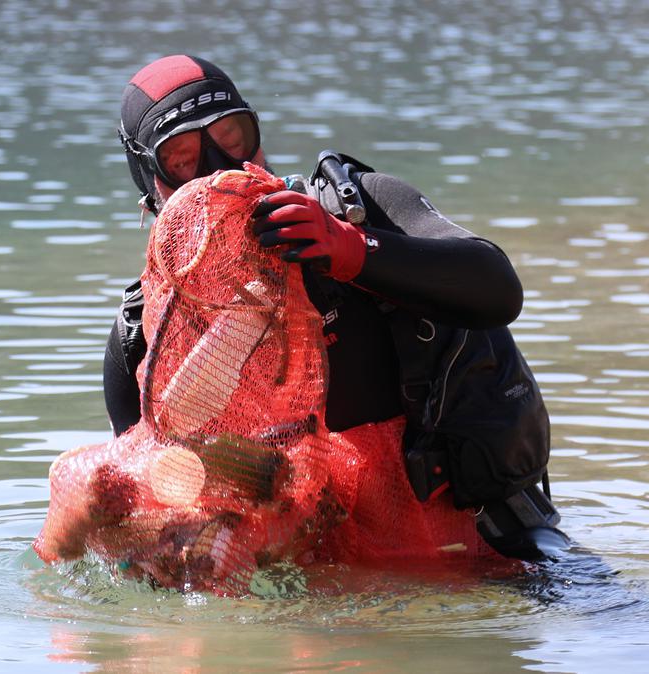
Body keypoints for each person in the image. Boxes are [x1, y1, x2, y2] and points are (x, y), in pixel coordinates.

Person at [106, 54, 570, 561]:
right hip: (323, 593)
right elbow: (155, 523)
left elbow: (499, 290)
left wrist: (352, 249)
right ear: (150, 185)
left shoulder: (359, 210)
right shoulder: (144, 341)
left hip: (486, 550)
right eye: (182, 158)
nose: (220, 167)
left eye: (233, 137)